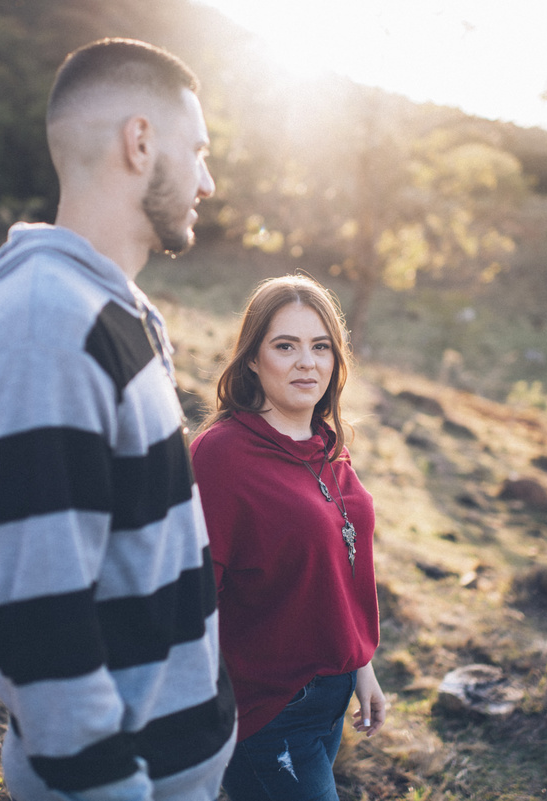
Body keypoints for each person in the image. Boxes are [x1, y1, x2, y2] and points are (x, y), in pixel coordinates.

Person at [0, 38, 236, 801]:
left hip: (173, 757)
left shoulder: (113, 307)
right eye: (196, 150)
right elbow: (39, 612)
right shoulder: (47, 323)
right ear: (140, 142)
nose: (207, 181)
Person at [189, 275, 386, 801]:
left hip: (330, 696)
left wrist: (358, 663)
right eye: (286, 346)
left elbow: (336, 571)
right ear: (252, 359)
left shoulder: (327, 445)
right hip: (264, 711)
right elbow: (192, 597)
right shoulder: (221, 455)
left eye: (321, 346)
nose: (307, 362)